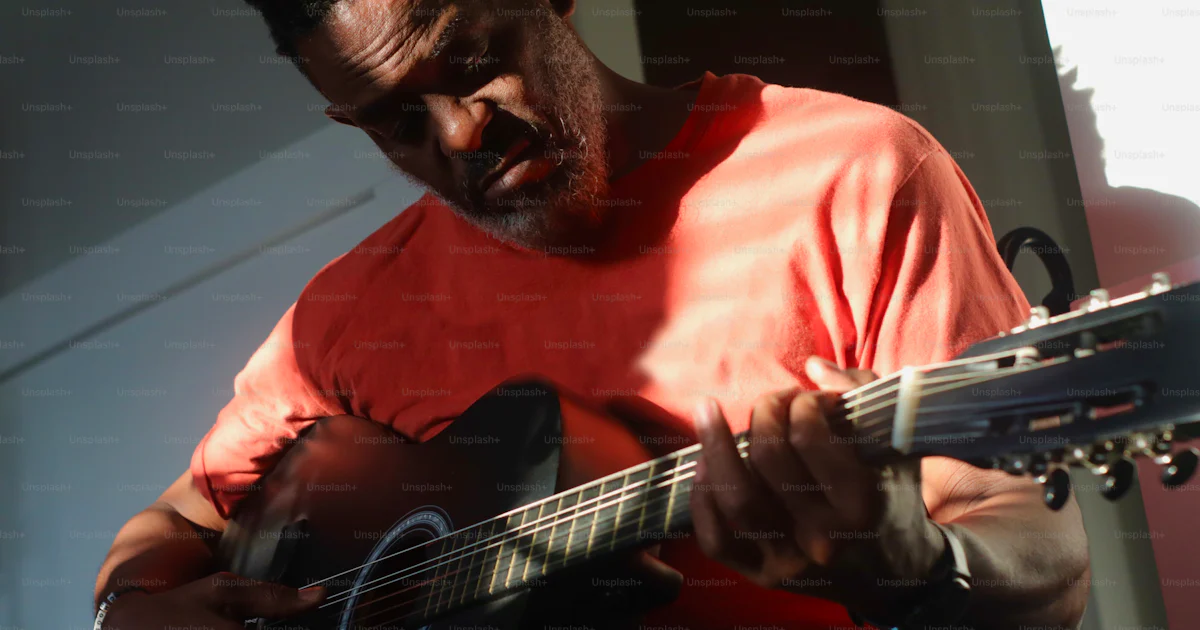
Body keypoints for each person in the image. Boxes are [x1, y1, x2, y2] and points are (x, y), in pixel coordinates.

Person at [93, 0, 1091, 628]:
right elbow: (177, 520)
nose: (460, 133)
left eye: (473, 59)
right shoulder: (341, 321)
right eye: (396, 122)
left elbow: (1044, 558)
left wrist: (913, 566)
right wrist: (134, 605)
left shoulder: (854, 175)